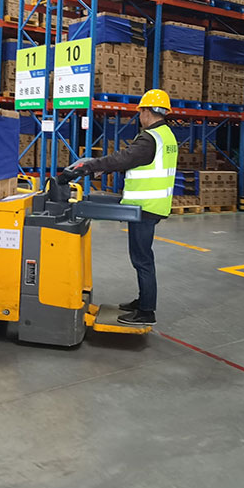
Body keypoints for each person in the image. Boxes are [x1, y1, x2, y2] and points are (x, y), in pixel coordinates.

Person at [63, 89, 177, 326]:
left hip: (145, 207)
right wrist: (100, 168)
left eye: (141, 112)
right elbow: (136, 163)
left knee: (142, 259)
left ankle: (146, 311)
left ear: (147, 112)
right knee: (143, 257)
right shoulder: (166, 135)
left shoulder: (149, 138)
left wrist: (90, 166)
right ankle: (143, 301)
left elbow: (123, 158)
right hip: (154, 204)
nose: (140, 116)